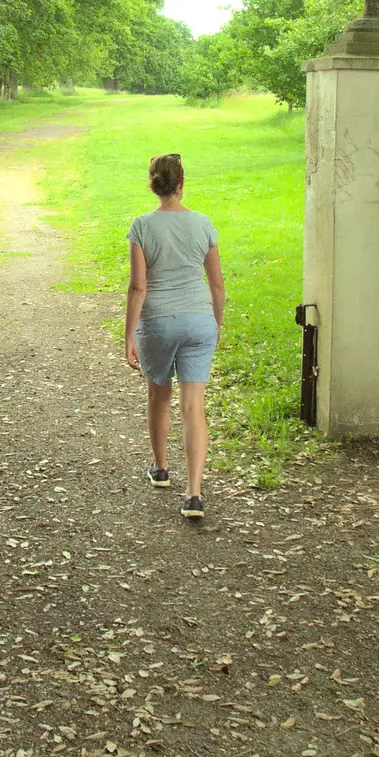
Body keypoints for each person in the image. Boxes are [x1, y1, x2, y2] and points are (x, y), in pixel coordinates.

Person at [124, 153, 225, 519]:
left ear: (153, 185)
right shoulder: (203, 224)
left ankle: (161, 469)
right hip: (199, 320)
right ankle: (194, 495)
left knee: (159, 395)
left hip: (158, 321)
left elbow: (138, 287)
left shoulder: (142, 226)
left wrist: (129, 336)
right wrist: (215, 322)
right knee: (193, 408)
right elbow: (216, 283)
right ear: (182, 184)